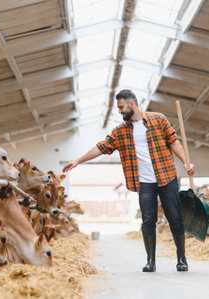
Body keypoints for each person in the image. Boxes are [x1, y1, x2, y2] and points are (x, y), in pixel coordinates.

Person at [63, 89, 194, 272]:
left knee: (174, 217)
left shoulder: (158, 119)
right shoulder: (120, 131)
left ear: (132, 105)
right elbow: (102, 147)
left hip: (166, 177)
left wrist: (186, 162)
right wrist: (78, 160)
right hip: (144, 183)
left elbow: (174, 142)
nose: (119, 111)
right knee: (148, 220)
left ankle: (181, 259)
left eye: (121, 107)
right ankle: (151, 262)